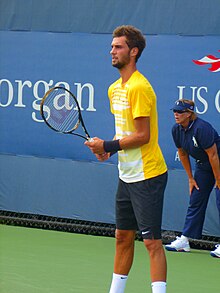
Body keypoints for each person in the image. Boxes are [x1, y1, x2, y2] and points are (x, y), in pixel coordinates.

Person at [85, 25, 168, 293]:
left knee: (152, 243)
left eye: (118, 47)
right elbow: (126, 133)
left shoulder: (140, 87)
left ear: (133, 52)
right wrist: (110, 150)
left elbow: (143, 136)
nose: (112, 51)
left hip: (149, 175)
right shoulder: (113, 89)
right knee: (122, 237)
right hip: (126, 175)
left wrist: (107, 144)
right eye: (112, 46)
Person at [165, 99, 220, 258]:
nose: (176, 114)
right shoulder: (176, 130)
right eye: (175, 111)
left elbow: (213, 155)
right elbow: (182, 153)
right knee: (196, 198)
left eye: (180, 112)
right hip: (203, 166)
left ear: (189, 114)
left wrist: (218, 179)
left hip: (217, 163)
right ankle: (185, 240)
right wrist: (190, 178)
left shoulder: (202, 128)